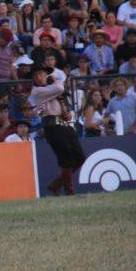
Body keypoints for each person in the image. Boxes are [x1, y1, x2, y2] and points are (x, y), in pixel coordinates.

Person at [29, 63, 85, 196]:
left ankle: (56, 184)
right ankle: (69, 191)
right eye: (36, 75)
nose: (39, 77)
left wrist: (66, 113)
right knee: (66, 158)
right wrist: (53, 79)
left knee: (80, 157)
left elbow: (63, 104)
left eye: (42, 74)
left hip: (64, 124)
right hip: (52, 125)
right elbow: (60, 88)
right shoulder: (37, 91)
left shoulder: (50, 90)